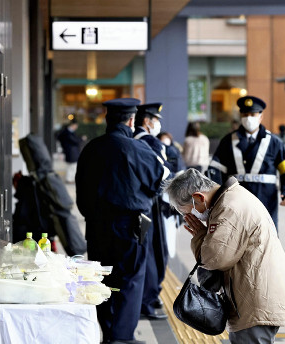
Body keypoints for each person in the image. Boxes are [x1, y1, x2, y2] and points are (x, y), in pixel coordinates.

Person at [163, 168, 285, 343]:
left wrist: (200, 235)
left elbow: (213, 259)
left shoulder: (229, 208)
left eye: (188, 213)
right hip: (253, 299)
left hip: (255, 303)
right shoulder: (230, 200)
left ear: (199, 197)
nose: (192, 218)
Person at [75, 98, 170, 344]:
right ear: (131, 120)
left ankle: (108, 333)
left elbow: (81, 192)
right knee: (130, 280)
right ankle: (122, 337)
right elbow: (160, 181)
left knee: (102, 278)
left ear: (107, 119)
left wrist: (92, 216)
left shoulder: (91, 148)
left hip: (96, 226)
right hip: (132, 226)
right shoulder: (138, 149)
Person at [206, 96, 285, 229]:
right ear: (240, 116)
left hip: (265, 200)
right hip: (236, 201)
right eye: (245, 114)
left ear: (261, 117)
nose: (248, 118)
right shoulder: (227, 141)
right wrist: (214, 197)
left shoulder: (274, 142)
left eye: (253, 114)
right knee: (236, 240)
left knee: (266, 239)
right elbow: (214, 170)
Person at [134, 103, 171, 320]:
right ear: (147, 121)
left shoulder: (131, 139)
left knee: (145, 251)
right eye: (156, 120)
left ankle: (147, 299)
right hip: (150, 203)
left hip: (138, 204)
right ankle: (148, 300)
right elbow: (163, 172)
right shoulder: (148, 141)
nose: (157, 124)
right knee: (155, 252)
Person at [57, 118, 85, 183]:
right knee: (72, 165)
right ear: (73, 125)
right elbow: (74, 141)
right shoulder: (67, 133)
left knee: (73, 165)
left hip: (72, 151)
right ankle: (69, 179)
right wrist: (81, 139)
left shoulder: (69, 132)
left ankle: (70, 178)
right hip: (70, 151)